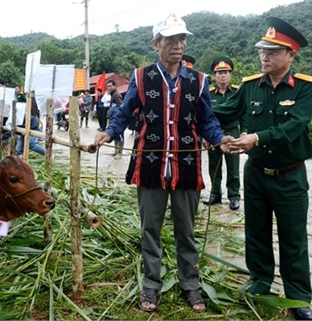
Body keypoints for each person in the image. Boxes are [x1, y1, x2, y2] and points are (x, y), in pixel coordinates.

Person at [94, 13, 233, 314]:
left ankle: (190, 284)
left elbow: (207, 120)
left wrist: (220, 139)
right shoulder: (142, 77)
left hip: (185, 167)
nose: (178, 45)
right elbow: (125, 112)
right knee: (150, 229)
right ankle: (151, 284)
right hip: (150, 165)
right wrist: (107, 133)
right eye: (170, 39)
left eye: (182, 39)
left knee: (186, 230)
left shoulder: (198, 81)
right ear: (155, 43)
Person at [213, 17, 312, 321]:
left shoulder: (306, 88)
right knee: (256, 233)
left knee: (293, 238)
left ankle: (299, 299)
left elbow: (294, 126)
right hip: (256, 173)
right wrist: (191, 107)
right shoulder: (249, 86)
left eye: (273, 51)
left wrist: (255, 138)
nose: (265, 56)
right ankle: (259, 283)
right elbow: (225, 111)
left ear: (291, 55)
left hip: (290, 176)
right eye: (262, 50)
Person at [203, 57, 242, 210]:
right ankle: (215, 194)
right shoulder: (208, 93)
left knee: (233, 167)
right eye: (219, 73)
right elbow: (203, 116)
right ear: (214, 75)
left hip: (232, 133)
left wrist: (244, 132)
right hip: (214, 135)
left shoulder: (238, 92)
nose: (223, 75)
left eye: (225, 72)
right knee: (214, 166)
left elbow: (243, 114)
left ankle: (234, 196)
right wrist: (205, 136)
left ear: (230, 74)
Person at [104, 80, 124, 159]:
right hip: (113, 118)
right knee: (115, 135)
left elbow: (120, 106)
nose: (109, 88)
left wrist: (113, 111)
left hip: (118, 119)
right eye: (108, 86)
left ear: (114, 86)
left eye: (110, 86)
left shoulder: (116, 95)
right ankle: (116, 151)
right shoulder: (112, 94)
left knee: (120, 136)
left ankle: (119, 153)